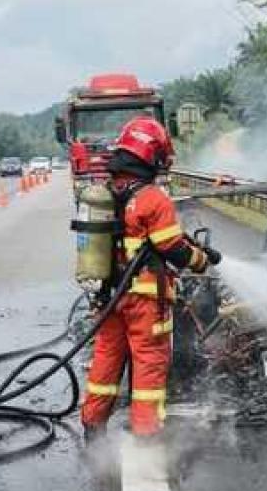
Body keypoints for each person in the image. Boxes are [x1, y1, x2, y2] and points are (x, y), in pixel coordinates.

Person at [81, 117, 220, 440]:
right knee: (149, 364)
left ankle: (92, 424)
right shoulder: (153, 197)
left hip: (110, 297)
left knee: (107, 358)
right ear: (150, 155)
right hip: (145, 301)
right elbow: (171, 247)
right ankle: (147, 434)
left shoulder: (107, 192)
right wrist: (200, 260)